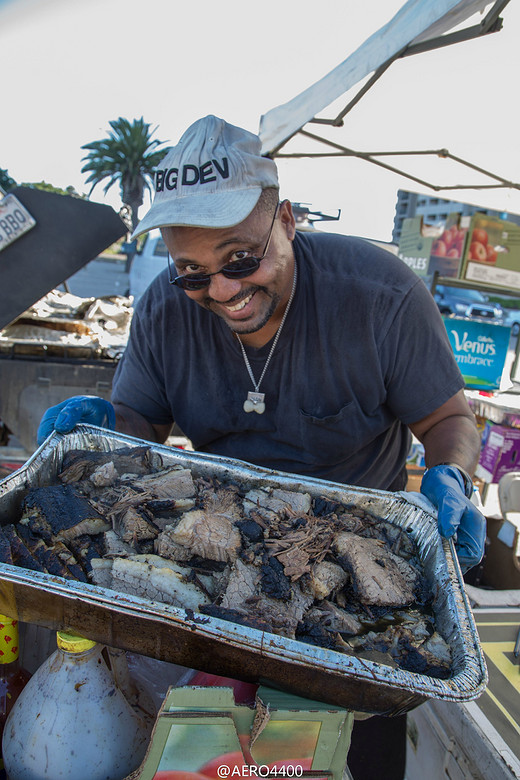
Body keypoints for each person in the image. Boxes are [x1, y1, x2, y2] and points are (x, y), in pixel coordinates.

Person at [37, 115, 486, 779]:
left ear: (289, 221)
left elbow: (450, 417)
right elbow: (138, 428)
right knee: (210, 758)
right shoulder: (165, 309)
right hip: (219, 557)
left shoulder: (381, 295)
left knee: (354, 760)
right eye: (193, 271)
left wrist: (452, 473)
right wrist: (101, 428)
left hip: (349, 567)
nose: (221, 291)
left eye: (240, 260)